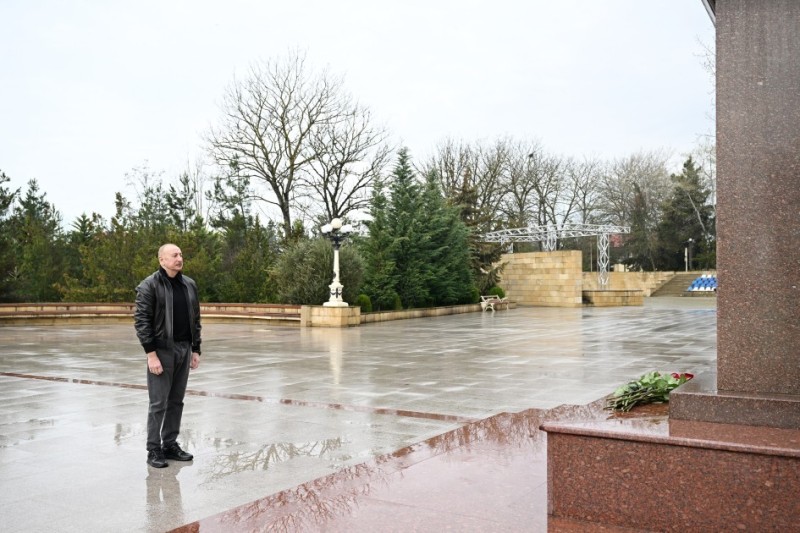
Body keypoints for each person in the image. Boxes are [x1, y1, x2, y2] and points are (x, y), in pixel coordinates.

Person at [135, 243, 202, 468]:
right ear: (161, 260)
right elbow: (142, 322)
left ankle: (170, 445)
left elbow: (196, 320)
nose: (179, 258)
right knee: (158, 403)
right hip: (161, 350)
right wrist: (151, 354)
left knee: (176, 401)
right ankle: (153, 449)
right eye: (174, 255)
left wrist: (196, 349)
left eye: (181, 254)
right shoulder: (149, 285)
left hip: (184, 349)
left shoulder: (189, 284)